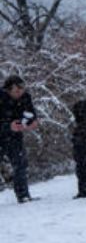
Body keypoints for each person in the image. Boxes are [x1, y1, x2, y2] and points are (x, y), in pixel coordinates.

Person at [1, 75, 38, 203]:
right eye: (17, 91)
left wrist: (32, 123)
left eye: (21, 90)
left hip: (15, 137)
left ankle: (23, 196)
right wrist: (8, 126)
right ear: (8, 90)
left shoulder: (25, 97)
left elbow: (31, 113)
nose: (20, 93)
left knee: (20, 164)